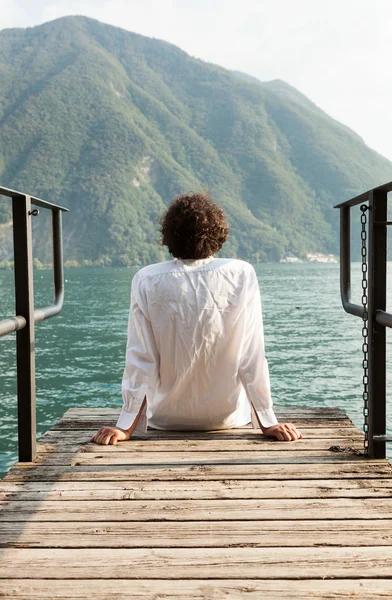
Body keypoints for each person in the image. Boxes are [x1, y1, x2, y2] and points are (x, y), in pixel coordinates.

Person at [91, 192, 302, 445]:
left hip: (165, 420)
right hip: (228, 418)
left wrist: (125, 427)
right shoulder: (241, 273)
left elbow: (141, 359)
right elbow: (251, 354)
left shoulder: (146, 278)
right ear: (218, 234)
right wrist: (268, 421)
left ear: (169, 236)